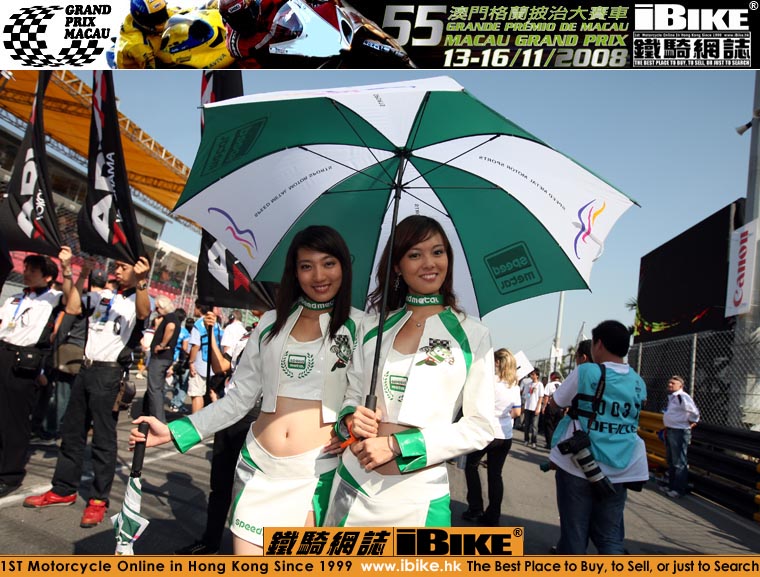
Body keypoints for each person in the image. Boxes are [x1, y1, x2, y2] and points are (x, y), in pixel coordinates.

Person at [131, 226, 360, 555]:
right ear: (294, 272)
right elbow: (239, 398)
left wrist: (350, 427)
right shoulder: (270, 323)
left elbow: (364, 397)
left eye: (328, 263)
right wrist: (174, 430)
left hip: (315, 473)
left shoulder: (361, 327)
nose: (319, 275)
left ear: (344, 267)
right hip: (258, 467)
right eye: (306, 266)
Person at [325, 215, 495, 527]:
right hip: (353, 484)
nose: (429, 263)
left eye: (438, 252)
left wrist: (397, 445)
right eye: (415, 254)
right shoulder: (372, 327)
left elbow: (481, 426)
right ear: (397, 266)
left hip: (421, 498)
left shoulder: (473, 335)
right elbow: (353, 392)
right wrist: (350, 419)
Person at [23, 248, 152, 529]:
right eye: (116, 266)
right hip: (85, 368)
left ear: (139, 269)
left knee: (103, 439)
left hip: (109, 374)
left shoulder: (139, 298)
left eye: (123, 266)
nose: (117, 270)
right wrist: (72, 271)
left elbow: (144, 313)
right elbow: (72, 307)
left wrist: (142, 281)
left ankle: (97, 499)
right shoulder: (103, 295)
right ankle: (63, 489)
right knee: (71, 432)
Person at [549, 320, 648, 554]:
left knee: (575, 534)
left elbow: (556, 402)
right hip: (622, 467)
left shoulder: (587, 371)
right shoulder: (638, 381)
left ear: (599, 344)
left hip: (579, 464)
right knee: (610, 537)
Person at [175, 309, 260, 555]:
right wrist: (210, 334)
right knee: (220, 486)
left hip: (256, 418)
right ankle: (210, 542)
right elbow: (221, 366)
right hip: (229, 412)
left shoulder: (279, 332)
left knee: (249, 490)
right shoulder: (246, 335)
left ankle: (246, 549)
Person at [0, 254, 62, 498]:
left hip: (25, 360)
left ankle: (10, 475)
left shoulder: (54, 298)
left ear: (47, 277)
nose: (26, 274)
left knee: (15, 420)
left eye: (33, 271)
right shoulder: (15, 297)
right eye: (26, 269)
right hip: (3, 351)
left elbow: (73, 299)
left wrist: (69, 268)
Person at [462, 348, 521, 526]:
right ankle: (493, 515)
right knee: (495, 475)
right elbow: (517, 412)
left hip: (486, 432)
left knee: (471, 466)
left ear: (497, 362)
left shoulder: (490, 382)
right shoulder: (514, 385)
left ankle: (475, 508)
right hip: (505, 435)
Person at [661, 375, 699, 498]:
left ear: (680, 386)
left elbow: (694, 412)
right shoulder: (673, 397)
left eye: (673, 383)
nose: (670, 385)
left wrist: (692, 421)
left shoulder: (682, 397)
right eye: (669, 382)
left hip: (679, 431)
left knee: (679, 461)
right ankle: (671, 486)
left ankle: (679, 489)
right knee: (672, 460)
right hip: (671, 430)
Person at [143, 295, 179, 423]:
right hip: (164, 357)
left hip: (160, 357)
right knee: (157, 388)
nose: (156, 310)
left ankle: (158, 419)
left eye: (157, 308)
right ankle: (154, 416)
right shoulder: (170, 317)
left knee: (154, 389)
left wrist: (162, 345)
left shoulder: (170, 317)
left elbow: (171, 327)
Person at [116, 0, 178, 69]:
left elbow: (182, 12)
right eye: (155, 18)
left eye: (162, 13)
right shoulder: (138, 45)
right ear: (142, 19)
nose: (162, 21)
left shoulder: (163, 13)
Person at [187, 300, 223, 413]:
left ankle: (196, 420)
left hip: (200, 363)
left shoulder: (198, 324)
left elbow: (195, 346)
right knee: (208, 393)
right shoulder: (216, 324)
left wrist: (191, 362)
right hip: (213, 363)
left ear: (199, 308)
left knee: (196, 394)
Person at [168, 315, 194, 413]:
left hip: (175, 359)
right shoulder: (189, 335)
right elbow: (186, 349)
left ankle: (175, 402)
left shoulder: (180, 330)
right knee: (183, 384)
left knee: (177, 383)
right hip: (184, 362)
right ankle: (177, 404)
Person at [542, 371, 563, 449]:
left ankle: (549, 443)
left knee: (549, 425)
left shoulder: (549, 385)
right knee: (557, 426)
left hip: (551, 406)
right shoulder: (562, 385)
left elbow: (546, 397)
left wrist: (544, 406)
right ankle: (556, 443)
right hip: (560, 407)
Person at [523, 369, 544, 448]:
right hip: (528, 406)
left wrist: (538, 408)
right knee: (527, 425)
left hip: (535, 407)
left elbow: (541, 397)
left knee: (534, 426)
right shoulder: (528, 384)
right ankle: (526, 440)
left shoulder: (540, 385)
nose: (531, 376)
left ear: (537, 375)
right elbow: (525, 395)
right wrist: (529, 393)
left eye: (533, 374)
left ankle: (534, 441)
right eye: (531, 374)